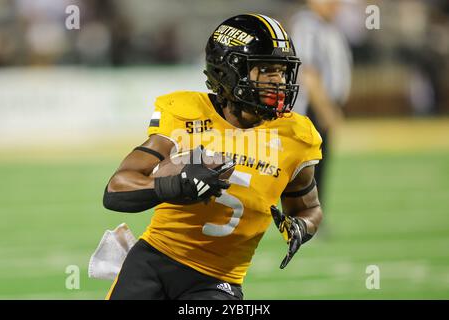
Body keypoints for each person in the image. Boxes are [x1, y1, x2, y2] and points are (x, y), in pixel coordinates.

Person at [102, 14, 323, 300]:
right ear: (229, 71)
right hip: (153, 262)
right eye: (266, 70)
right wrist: (176, 185)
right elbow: (116, 189)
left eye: (282, 71)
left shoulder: (295, 135)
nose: (278, 81)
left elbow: (310, 208)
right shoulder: (186, 113)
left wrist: (301, 226)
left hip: (217, 283)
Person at [290, 0, 352, 203]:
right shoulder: (308, 26)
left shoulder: (328, 26)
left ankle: (312, 217)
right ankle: (305, 218)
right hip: (312, 108)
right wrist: (325, 109)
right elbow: (308, 72)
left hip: (323, 105)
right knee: (310, 168)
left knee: (319, 167)